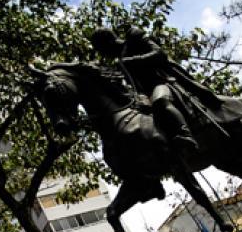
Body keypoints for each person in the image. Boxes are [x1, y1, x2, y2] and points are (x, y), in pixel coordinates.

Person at [90, 26, 222, 155]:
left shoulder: (134, 38)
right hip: (143, 95)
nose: (103, 55)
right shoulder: (119, 62)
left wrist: (133, 60)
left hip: (162, 83)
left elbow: (160, 54)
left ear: (108, 41)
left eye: (101, 49)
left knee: (160, 101)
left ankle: (185, 134)